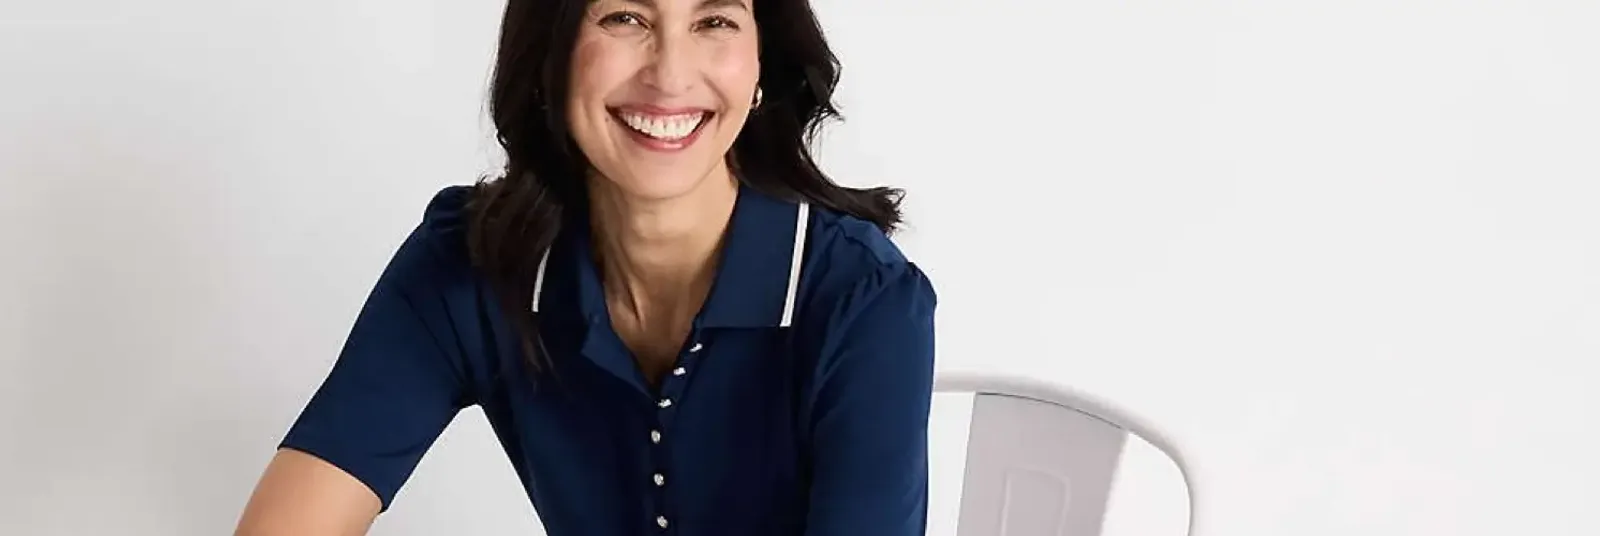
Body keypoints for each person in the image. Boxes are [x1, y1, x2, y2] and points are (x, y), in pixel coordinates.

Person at [234, 0, 936, 534]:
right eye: (625, 16)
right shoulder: (473, 262)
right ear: (553, 54)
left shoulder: (863, 300)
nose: (669, 74)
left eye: (715, 20)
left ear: (761, 70)